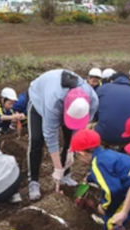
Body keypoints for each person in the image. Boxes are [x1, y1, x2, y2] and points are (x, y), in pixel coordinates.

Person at [27, 69, 99, 200]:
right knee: (37, 140)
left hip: (66, 103)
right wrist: (57, 167)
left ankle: (66, 176)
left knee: (69, 139)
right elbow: (50, 135)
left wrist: (72, 149)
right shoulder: (53, 102)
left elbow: (80, 128)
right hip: (39, 99)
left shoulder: (93, 99)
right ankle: (34, 181)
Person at [70, 129, 130, 230]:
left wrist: (104, 207)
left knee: (111, 222)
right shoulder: (106, 154)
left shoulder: (97, 164)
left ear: (82, 153)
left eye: (77, 155)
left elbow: (113, 191)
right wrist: (88, 179)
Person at [94, 72, 130, 146]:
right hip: (129, 138)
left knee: (90, 125)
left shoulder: (103, 89)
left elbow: (94, 112)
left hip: (104, 135)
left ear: (112, 80)